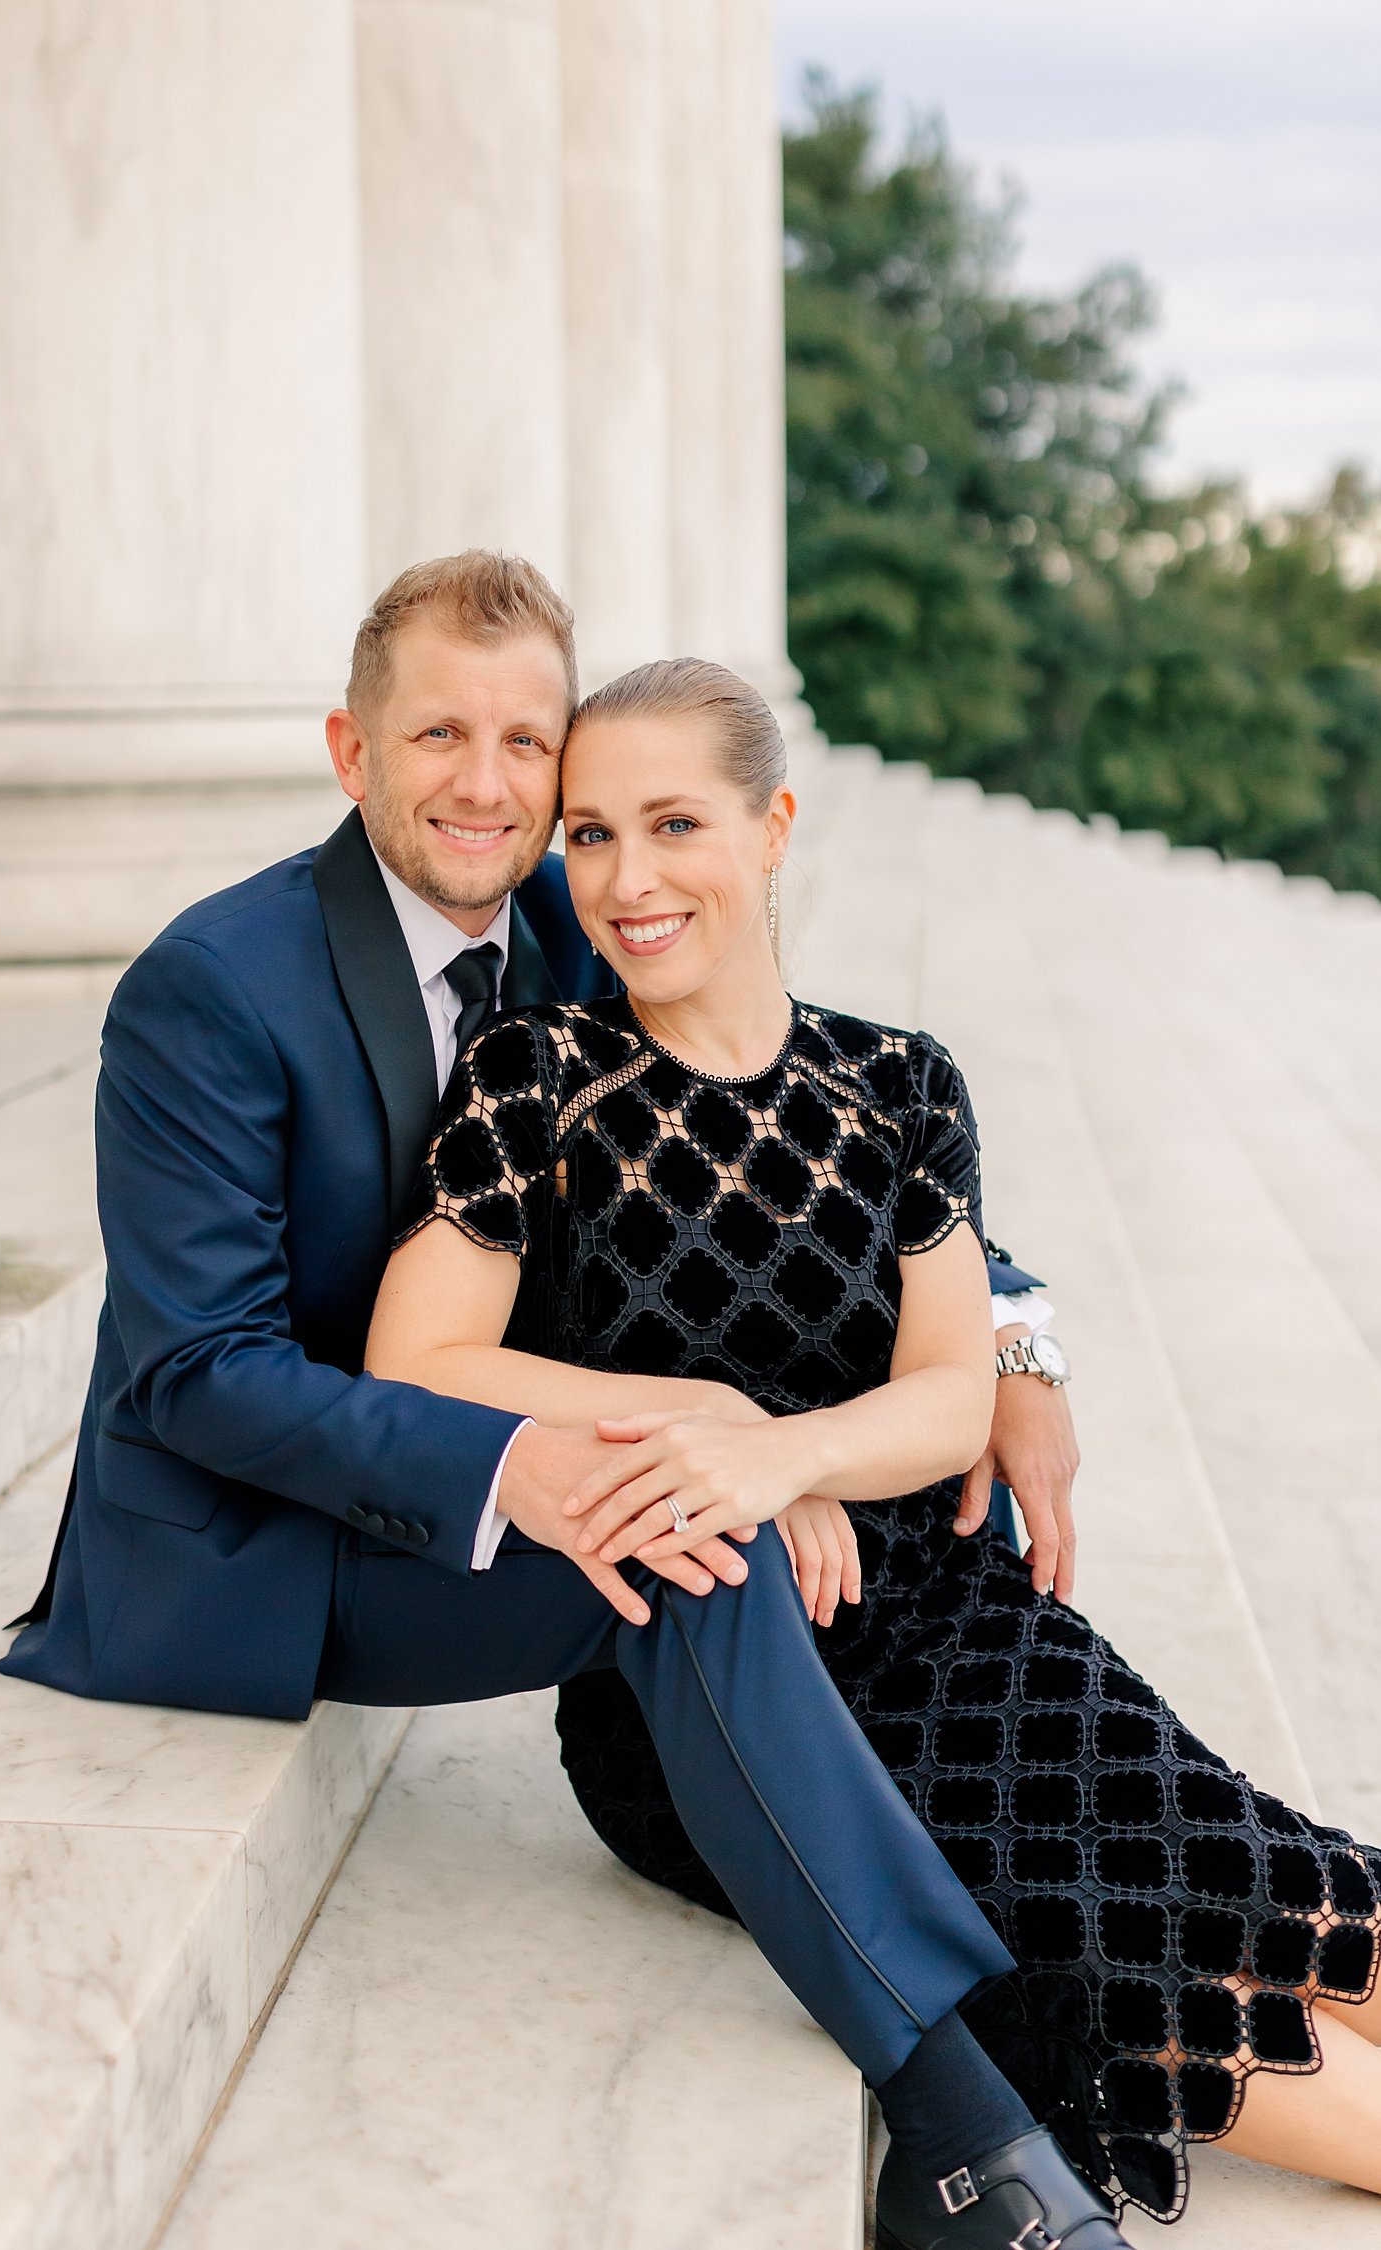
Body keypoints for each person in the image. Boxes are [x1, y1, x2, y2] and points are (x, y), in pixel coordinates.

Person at [0, 553, 1122, 2250]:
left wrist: (1017, 1342)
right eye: (437, 731)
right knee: (692, 1530)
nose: (489, 780)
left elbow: (815, 1116)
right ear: (348, 749)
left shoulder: (571, 921)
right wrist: (551, 1454)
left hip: (484, 1440)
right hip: (259, 1539)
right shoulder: (210, 987)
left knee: (702, 1508)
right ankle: (964, 2120)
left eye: (527, 740)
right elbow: (198, 1376)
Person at [364, 653, 1381, 2235]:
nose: (627, 879)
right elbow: (414, 1357)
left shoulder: (899, 1083)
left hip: (959, 1620)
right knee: (1122, 1950)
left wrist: (793, 1454)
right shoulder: (538, 1077)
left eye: (673, 824)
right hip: (712, 1692)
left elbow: (951, 1395)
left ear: (772, 828)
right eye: (588, 835)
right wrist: (714, 1429)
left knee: (1262, 1866)